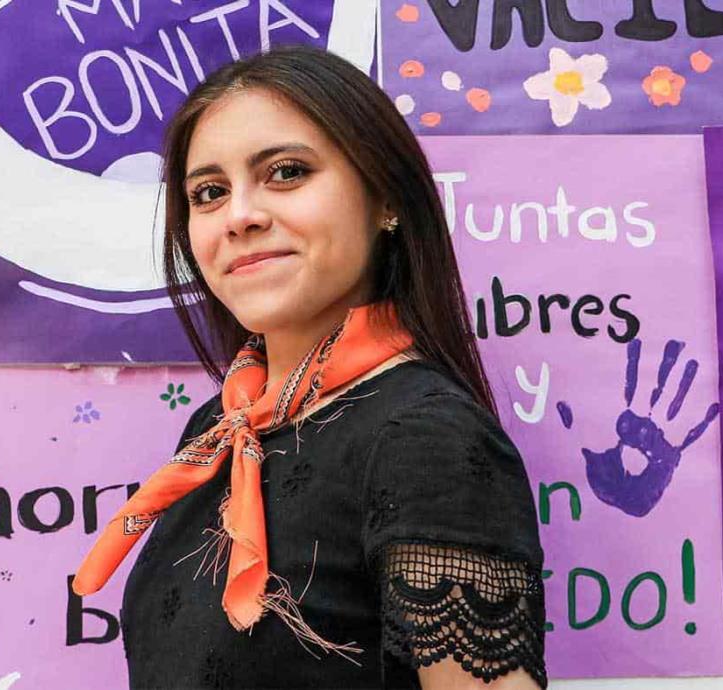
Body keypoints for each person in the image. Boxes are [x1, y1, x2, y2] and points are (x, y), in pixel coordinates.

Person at [73, 44, 547, 690]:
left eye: (287, 172)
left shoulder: (425, 438)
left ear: (385, 198)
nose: (240, 216)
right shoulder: (219, 428)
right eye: (208, 193)